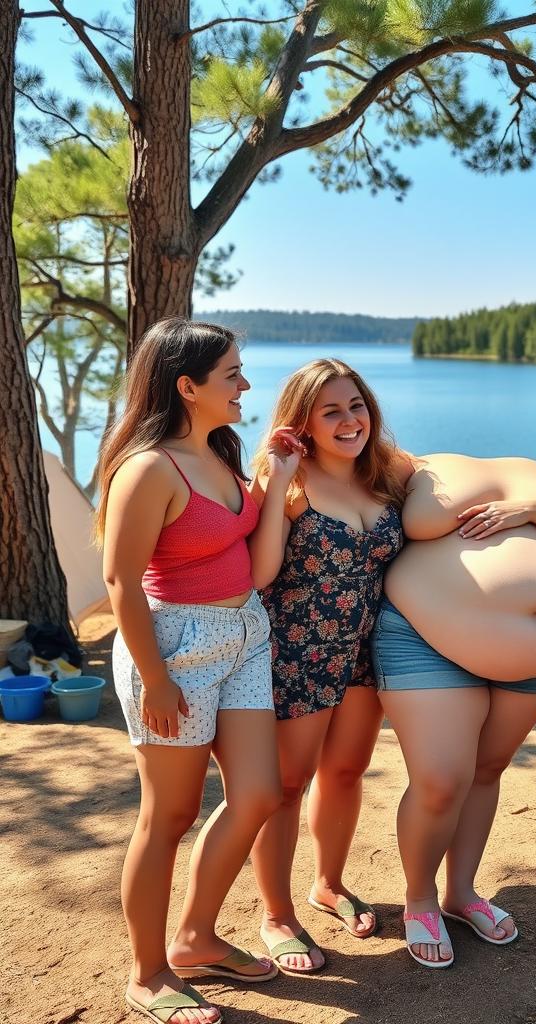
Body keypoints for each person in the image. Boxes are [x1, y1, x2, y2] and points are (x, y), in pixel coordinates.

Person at [98, 318, 281, 1024]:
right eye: (232, 374)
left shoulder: (219, 451)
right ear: (187, 386)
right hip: (174, 648)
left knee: (259, 793)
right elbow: (119, 583)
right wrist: (158, 678)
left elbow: (251, 545)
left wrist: (279, 477)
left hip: (246, 635)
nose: (244, 384)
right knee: (169, 814)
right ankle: (147, 974)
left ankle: (197, 937)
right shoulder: (150, 469)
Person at [371, 453, 536, 968]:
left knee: (485, 769)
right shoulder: (409, 466)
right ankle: (420, 897)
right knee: (439, 780)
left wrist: (527, 510)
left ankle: (461, 892)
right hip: (425, 638)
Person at [246, 359, 407, 975]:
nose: (349, 421)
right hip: (298, 650)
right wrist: (280, 473)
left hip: (367, 650)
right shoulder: (284, 480)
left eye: (357, 406)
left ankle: (329, 884)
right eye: (331, 411)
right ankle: (277, 915)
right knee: (286, 787)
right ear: (303, 421)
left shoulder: (386, 473)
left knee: (346, 771)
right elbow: (261, 574)